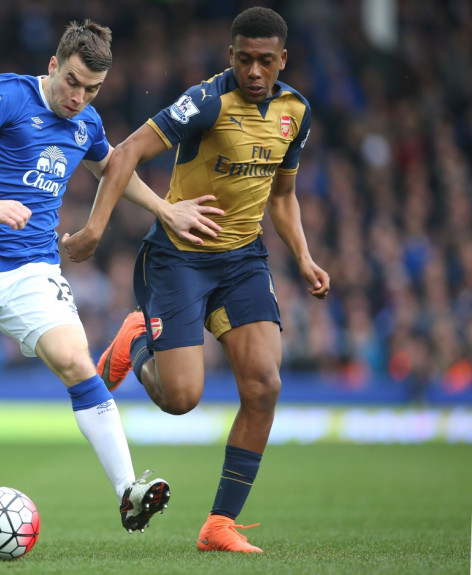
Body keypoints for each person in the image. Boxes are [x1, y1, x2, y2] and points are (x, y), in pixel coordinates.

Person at [0, 19, 217, 533]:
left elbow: (113, 169)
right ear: (53, 66)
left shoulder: (87, 124)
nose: (78, 97)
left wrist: (166, 209)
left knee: (76, 361)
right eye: (72, 81)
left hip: (31, 269)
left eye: (91, 89)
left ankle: (128, 490)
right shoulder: (8, 93)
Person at [62, 7, 330, 552]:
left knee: (264, 385)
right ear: (231, 56)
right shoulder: (206, 101)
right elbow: (127, 152)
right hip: (179, 258)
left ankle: (218, 526)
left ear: (282, 60)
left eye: (265, 61)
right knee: (181, 398)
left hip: (243, 261)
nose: (255, 71)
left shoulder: (295, 112)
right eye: (245, 59)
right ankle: (137, 340)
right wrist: (93, 230)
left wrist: (302, 255)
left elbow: (282, 196)